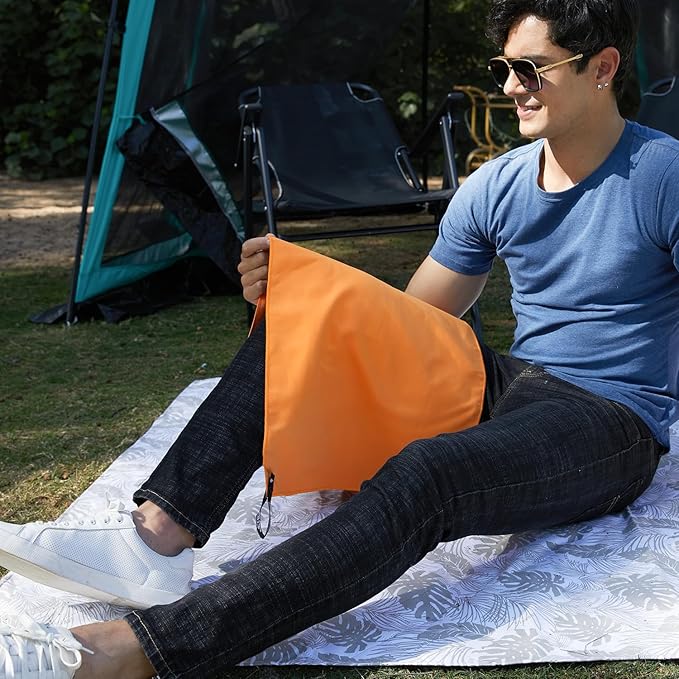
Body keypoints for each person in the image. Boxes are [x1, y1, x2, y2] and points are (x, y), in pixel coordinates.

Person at [1, 0, 678, 676]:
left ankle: (133, 650)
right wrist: (299, 301)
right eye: (504, 68)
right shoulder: (497, 184)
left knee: (427, 473)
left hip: (609, 416)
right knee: (303, 319)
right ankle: (155, 539)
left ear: (602, 68)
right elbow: (411, 323)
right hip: (511, 385)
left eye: (530, 69)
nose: (508, 87)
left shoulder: (662, 175)